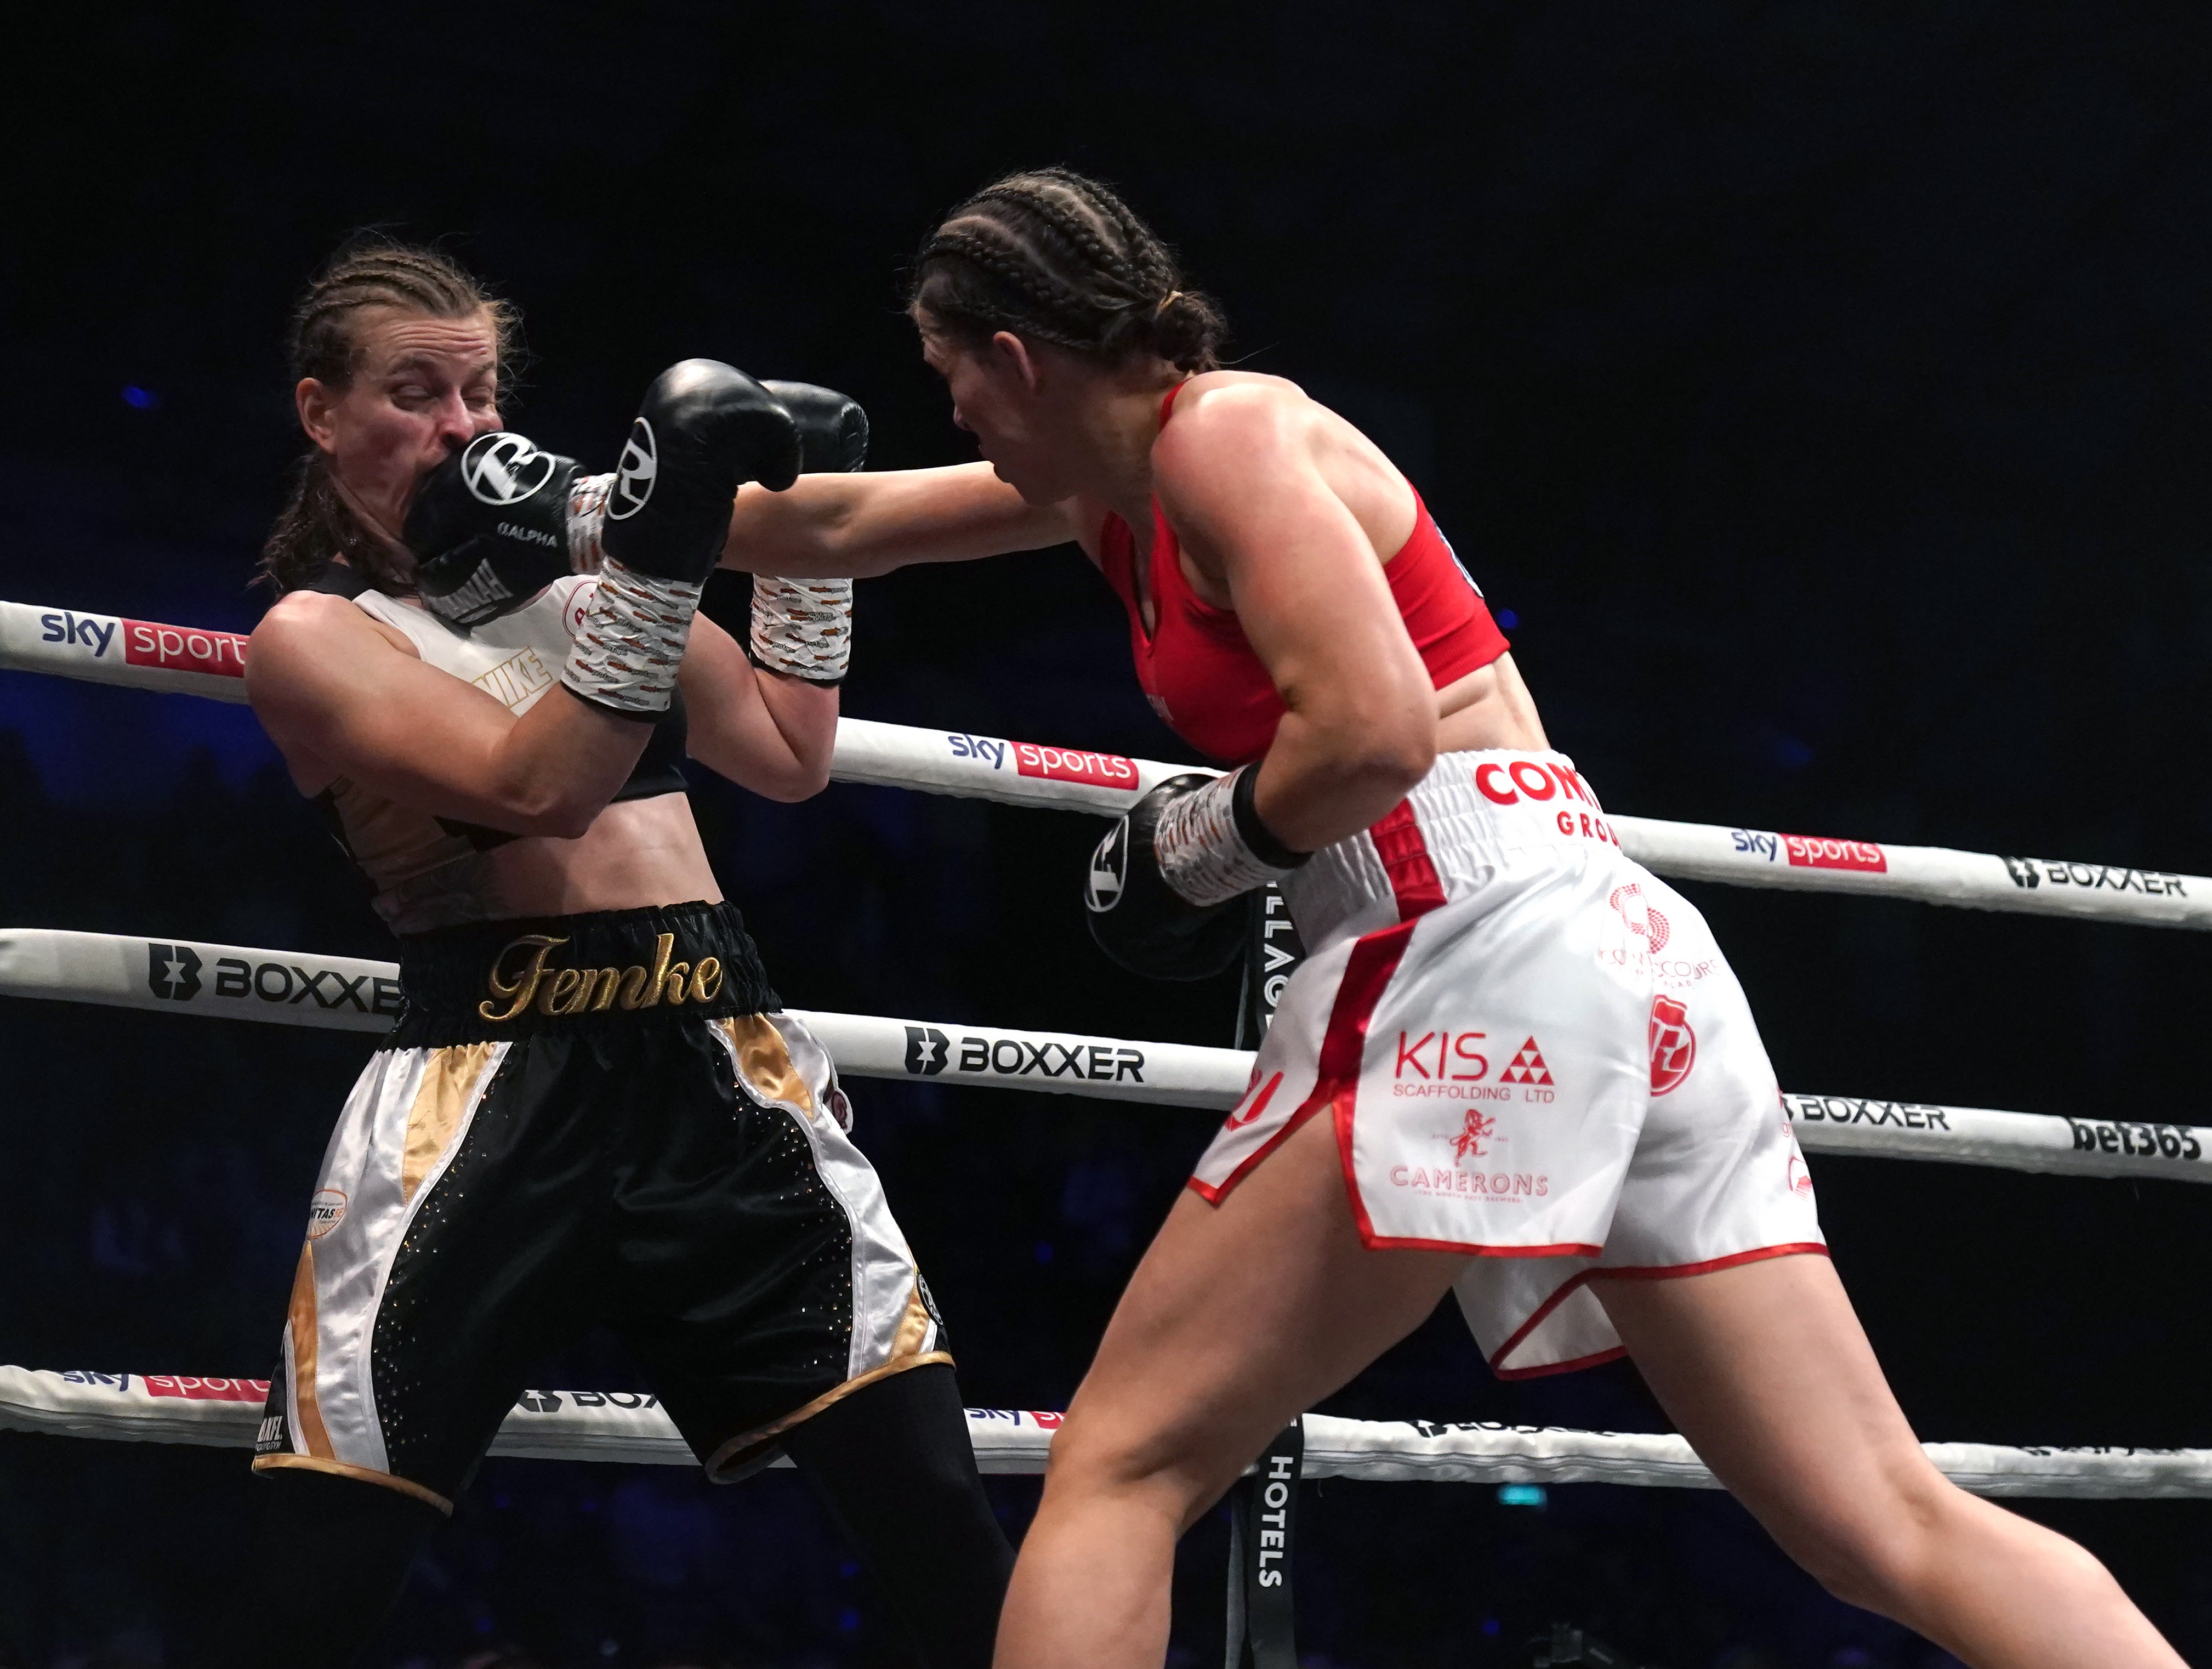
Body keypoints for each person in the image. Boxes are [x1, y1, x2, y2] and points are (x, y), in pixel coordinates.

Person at [722, 170, 2186, 1668]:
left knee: (1125, 1464)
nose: (951, 412)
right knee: (1882, 1517)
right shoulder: (1116, 490)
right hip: (1601, 942)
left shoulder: (1226, 432)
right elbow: (840, 523)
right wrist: (583, 521)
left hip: (1470, 931)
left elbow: (1373, 730)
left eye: (948, 372)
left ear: (1015, 355)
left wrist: (1203, 843)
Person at [226, 236, 1011, 1668]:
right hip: (489, 1091)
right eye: (416, 392)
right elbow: (540, 786)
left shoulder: (582, 580)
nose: (462, 428)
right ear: (321, 412)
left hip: (720, 1059)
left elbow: (787, 751)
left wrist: (1093, 481)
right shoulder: (317, 637)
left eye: (481, 392)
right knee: (316, 1581)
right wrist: (660, 548)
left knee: (941, 1515)